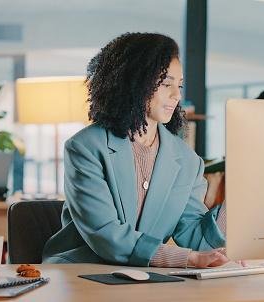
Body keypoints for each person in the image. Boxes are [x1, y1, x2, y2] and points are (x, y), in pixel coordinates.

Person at [42, 32, 229, 268]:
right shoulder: (85, 147)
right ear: (134, 81)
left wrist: (242, 200)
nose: (177, 95)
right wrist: (187, 258)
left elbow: (195, 237)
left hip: (143, 278)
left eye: (179, 85)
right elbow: (105, 235)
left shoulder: (187, 160)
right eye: (166, 84)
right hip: (80, 272)